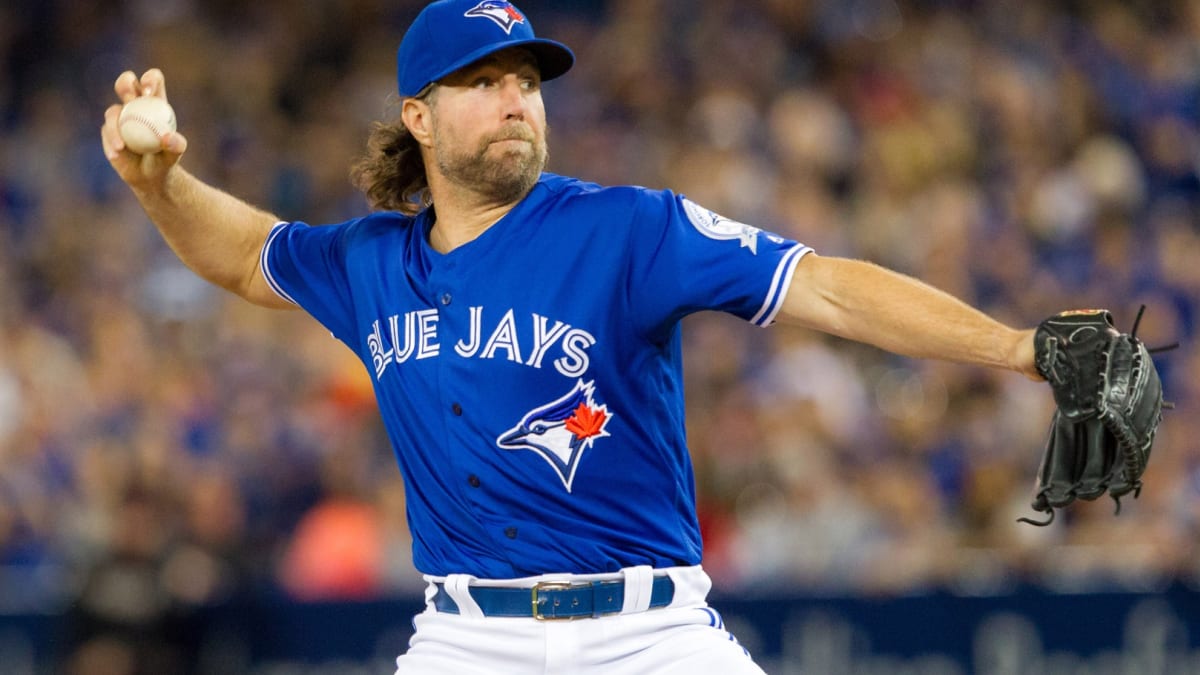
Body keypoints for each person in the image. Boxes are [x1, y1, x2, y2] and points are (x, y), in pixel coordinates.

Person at [101, 1, 1041, 672]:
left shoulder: (629, 229)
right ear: (419, 118)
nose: (515, 97)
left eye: (526, 80)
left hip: (652, 634)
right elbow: (246, 256)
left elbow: (828, 290)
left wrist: (1015, 348)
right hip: (467, 639)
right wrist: (158, 185)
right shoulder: (370, 262)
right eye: (482, 81)